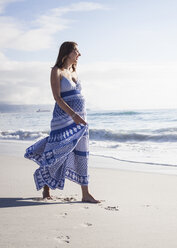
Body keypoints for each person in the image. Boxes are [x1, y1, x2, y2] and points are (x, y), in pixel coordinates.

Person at [25, 41, 100, 203]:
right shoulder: (56, 71)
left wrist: (79, 117)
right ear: (67, 53)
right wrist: (73, 115)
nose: (79, 55)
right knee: (58, 151)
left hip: (81, 120)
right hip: (63, 119)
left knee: (82, 154)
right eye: (77, 51)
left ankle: (85, 193)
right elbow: (57, 98)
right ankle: (46, 186)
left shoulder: (74, 72)